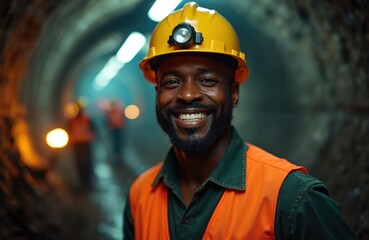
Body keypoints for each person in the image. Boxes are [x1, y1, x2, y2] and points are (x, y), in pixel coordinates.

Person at [123, 2, 356, 239]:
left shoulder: (291, 200)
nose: (188, 94)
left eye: (207, 80)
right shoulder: (140, 196)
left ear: (234, 93)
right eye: (172, 82)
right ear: (157, 94)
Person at [67, 101, 95, 189]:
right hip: (77, 143)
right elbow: (68, 130)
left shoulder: (87, 118)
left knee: (87, 161)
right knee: (80, 162)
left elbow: (93, 129)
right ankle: (84, 180)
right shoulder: (72, 120)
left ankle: (87, 180)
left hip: (84, 142)